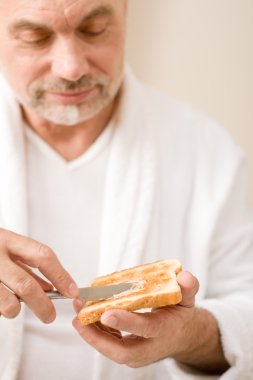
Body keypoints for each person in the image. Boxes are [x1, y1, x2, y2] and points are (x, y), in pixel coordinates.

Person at [0, 0, 253, 379]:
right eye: (35, 38)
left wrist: (190, 336)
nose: (71, 68)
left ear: (125, 14)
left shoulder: (206, 149)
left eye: (94, 29)